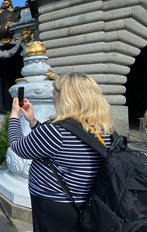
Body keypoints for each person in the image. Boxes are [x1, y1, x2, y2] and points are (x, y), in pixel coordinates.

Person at [9, 72, 115, 232]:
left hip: (55, 204)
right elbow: (53, 146)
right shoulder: (105, 129)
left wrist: (14, 115)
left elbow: (18, 146)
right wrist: (33, 121)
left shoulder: (56, 132)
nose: (53, 99)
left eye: (55, 94)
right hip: (87, 200)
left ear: (66, 99)